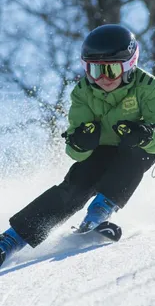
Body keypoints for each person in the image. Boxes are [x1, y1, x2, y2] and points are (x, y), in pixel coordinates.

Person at [1, 24, 155, 267]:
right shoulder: (83, 92)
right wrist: (80, 142)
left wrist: (146, 135)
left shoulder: (148, 88)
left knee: (135, 155)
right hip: (101, 151)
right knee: (76, 185)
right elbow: (74, 151)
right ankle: (10, 240)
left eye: (111, 70)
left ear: (129, 66)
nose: (102, 78)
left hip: (137, 149)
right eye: (94, 70)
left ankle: (98, 213)